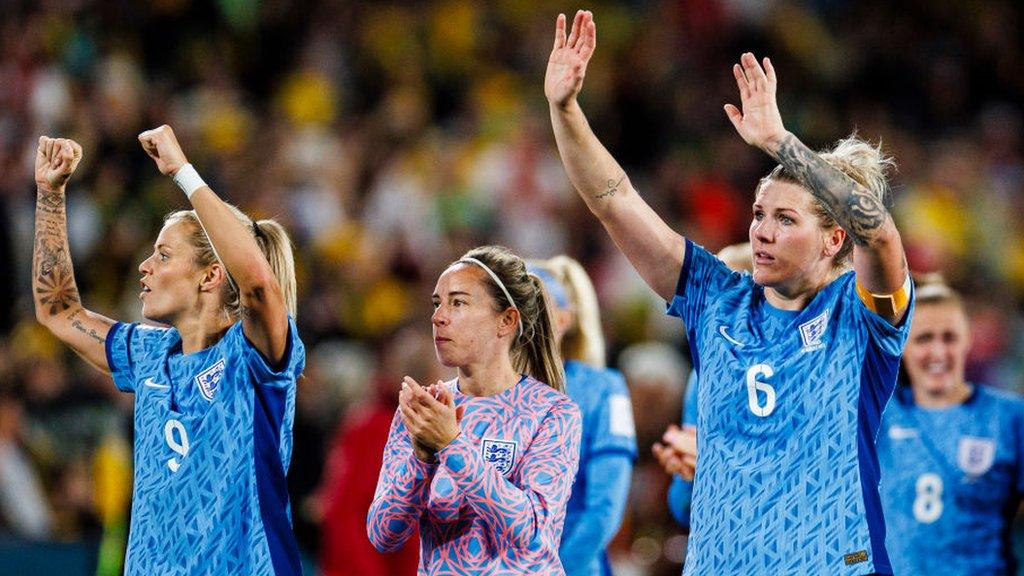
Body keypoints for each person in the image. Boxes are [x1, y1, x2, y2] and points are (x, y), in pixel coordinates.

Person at [546, 10, 913, 575]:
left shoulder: (860, 319)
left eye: (786, 219)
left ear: (833, 237)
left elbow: (882, 236)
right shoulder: (716, 298)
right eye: (759, 214)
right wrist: (565, 110)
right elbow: (613, 199)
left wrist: (780, 143)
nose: (762, 230)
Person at [31, 128, 305, 575]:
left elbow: (257, 285)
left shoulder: (253, 357)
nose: (145, 266)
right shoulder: (147, 353)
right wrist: (50, 193)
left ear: (211, 275)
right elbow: (58, 310)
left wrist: (182, 171)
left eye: (162, 254)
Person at [366, 246, 582, 574]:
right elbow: (382, 535)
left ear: (506, 320)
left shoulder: (553, 412)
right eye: (437, 303)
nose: (438, 316)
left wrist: (452, 446)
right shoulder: (425, 410)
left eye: (458, 302)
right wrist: (421, 460)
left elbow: (531, 533)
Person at [877, 276, 1024, 576]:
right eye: (924, 339)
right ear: (902, 345)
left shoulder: (1008, 417)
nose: (938, 352)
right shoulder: (877, 416)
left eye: (949, 337)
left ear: (968, 339)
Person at [529, 256, 637, 576]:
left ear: (564, 320)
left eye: (533, 311)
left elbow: (604, 509)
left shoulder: (605, 390)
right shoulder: (486, 393)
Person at [654, 244, 752, 531]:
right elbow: (683, 508)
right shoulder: (703, 375)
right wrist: (686, 471)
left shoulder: (800, 365)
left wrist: (713, 463)